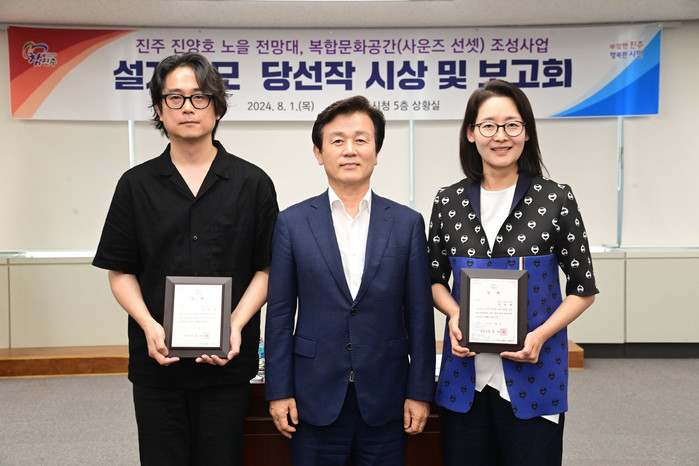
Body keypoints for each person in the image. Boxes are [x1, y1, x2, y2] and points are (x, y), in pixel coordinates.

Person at [92, 52, 278, 465]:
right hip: (157, 363)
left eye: (199, 96)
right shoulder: (135, 185)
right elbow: (120, 270)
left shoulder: (253, 183)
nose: (188, 107)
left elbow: (267, 268)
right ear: (159, 109)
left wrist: (234, 324)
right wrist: (148, 325)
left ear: (217, 106)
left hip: (228, 362)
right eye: (174, 97)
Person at [429, 79, 598, 465]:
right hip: (464, 376)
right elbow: (434, 280)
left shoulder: (555, 198)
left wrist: (540, 335)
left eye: (512, 125)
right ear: (471, 133)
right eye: (488, 125)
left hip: (535, 370)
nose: (500, 135)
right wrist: (454, 313)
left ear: (527, 132)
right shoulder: (448, 200)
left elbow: (583, 288)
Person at [264, 95, 435, 466]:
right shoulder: (292, 223)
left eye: (361, 139)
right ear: (319, 152)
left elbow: (420, 315)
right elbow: (279, 314)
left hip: (387, 397)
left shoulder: (406, 224)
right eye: (337, 140)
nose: (350, 150)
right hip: (312, 397)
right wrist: (278, 391)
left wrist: (420, 392)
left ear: (377, 151)